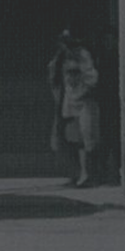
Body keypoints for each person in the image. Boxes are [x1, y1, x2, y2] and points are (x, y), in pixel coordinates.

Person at [48, 29, 101, 188]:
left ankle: (87, 174)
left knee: (84, 140)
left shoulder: (82, 55)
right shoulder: (62, 56)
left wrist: (81, 93)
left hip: (82, 103)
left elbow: (92, 77)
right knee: (69, 139)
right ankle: (75, 173)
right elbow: (54, 76)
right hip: (66, 103)